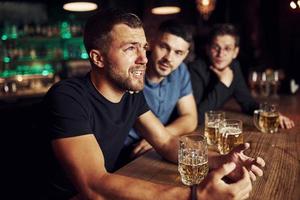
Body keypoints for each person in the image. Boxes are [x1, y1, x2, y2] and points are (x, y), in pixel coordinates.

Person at [43, 9, 265, 200]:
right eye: (130, 48)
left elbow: (167, 142)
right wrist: (196, 195)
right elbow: (94, 185)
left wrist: (220, 160)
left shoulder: (131, 94)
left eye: (144, 47)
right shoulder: (67, 98)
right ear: (98, 58)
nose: (144, 58)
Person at [189, 23, 295, 128]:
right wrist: (223, 84)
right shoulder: (195, 69)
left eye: (227, 48)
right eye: (216, 47)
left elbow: (247, 103)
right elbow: (195, 118)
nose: (220, 54)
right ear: (207, 49)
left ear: (235, 52)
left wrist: (270, 114)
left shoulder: (234, 67)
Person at [121, 19, 197, 161]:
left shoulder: (180, 71)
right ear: (151, 42)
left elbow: (190, 118)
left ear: (185, 55)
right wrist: (159, 139)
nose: (169, 58)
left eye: (178, 52)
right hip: (126, 154)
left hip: (156, 148)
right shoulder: (132, 73)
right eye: (164, 47)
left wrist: (159, 137)